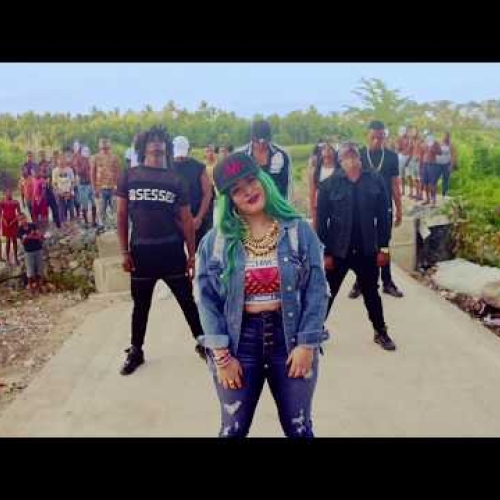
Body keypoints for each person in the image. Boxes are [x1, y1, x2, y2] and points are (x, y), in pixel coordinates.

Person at [195, 152, 329, 438]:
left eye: (251, 180)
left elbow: (317, 290)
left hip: (290, 339)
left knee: (299, 428)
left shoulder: (298, 231)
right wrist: (221, 357)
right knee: (232, 430)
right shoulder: (216, 241)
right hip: (239, 343)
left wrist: (307, 344)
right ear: (229, 199)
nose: (248, 191)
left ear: (263, 179)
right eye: (236, 189)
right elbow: (206, 300)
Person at [116, 126, 206, 376]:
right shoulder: (129, 176)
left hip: (171, 252)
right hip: (141, 253)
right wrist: (124, 252)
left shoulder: (175, 180)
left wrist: (191, 254)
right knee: (140, 305)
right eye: (152, 141)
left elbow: (186, 220)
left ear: (166, 147)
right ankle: (136, 350)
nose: (156, 145)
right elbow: (121, 215)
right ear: (143, 147)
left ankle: (203, 343)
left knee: (187, 301)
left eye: (160, 141)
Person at [317, 142, 396, 352]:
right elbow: (321, 222)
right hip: (338, 251)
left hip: (367, 250)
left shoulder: (375, 181)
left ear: (359, 158)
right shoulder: (329, 185)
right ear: (340, 160)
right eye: (346, 156)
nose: (351, 159)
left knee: (371, 294)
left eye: (354, 155)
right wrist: (325, 253)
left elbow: (384, 217)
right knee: (327, 294)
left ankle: (380, 332)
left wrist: (384, 248)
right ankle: (313, 332)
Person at [349, 121, 404, 299]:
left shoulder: (391, 156)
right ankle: (360, 282)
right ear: (367, 135)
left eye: (380, 137)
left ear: (384, 137)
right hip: (361, 207)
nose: (377, 141)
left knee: (384, 244)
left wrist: (399, 208)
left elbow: (395, 184)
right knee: (361, 244)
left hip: (384, 207)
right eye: (373, 137)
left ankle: (387, 282)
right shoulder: (359, 155)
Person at [173, 136, 214, 248]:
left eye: (183, 154)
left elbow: (207, 193)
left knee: (200, 251)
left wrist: (199, 218)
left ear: (189, 150)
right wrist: (177, 221)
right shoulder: (167, 167)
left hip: (197, 218)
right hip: (175, 221)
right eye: (178, 155)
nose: (180, 158)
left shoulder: (198, 167)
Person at [238, 120, 293, 200]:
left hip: (276, 203)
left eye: (264, 143)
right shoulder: (240, 156)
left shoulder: (282, 154)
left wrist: (287, 205)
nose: (261, 146)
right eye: (257, 142)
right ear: (252, 139)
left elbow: (288, 185)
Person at [91, 137, 121, 226]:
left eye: (106, 142)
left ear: (109, 144)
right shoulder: (95, 157)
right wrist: (94, 188)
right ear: (99, 145)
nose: (104, 145)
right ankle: (102, 227)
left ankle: (117, 228)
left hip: (113, 188)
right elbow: (92, 173)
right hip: (100, 188)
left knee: (115, 210)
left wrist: (117, 186)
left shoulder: (115, 157)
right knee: (101, 211)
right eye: (102, 143)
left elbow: (118, 173)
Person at [309, 141, 338, 230]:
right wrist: (313, 212)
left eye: (330, 149)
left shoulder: (339, 169)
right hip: (320, 205)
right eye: (324, 149)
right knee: (321, 230)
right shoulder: (316, 170)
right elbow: (312, 192)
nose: (327, 151)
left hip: (336, 205)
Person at [17, 213, 45, 291]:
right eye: (20, 219)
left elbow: (39, 237)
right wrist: (31, 235)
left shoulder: (32, 225)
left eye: (23, 218)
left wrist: (28, 237)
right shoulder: (19, 229)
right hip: (28, 252)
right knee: (30, 270)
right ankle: (30, 287)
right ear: (19, 221)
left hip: (38, 249)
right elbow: (23, 241)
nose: (22, 220)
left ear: (26, 218)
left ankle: (39, 285)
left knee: (40, 268)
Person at [75, 145, 97, 227]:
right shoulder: (78, 160)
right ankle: (86, 222)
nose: (87, 152)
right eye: (85, 151)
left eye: (88, 151)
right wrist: (84, 163)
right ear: (81, 152)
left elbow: (94, 171)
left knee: (94, 204)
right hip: (83, 185)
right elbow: (78, 172)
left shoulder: (91, 159)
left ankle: (94, 221)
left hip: (91, 184)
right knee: (85, 205)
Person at [52, 149, 76, 225]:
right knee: (61, 210)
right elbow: (54, 184)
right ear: (57, 161)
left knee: (71, 209)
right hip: (60, 193)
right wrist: (60, 192)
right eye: (60, 160)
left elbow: (73, 182)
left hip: (70, 193)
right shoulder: (55, 171)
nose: (61, 161)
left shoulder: (70, 170)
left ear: (65, 160)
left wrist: (69, 192)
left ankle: (72, 224)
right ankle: (63, 225)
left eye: (63, 159)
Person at [38, 150, 60, 228]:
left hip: (51, 190)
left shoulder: (49, 165)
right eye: (41, 155)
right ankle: (44, 226)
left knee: (55, 207)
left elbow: (51, 176)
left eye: (43, 154)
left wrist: (48, 178)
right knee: (43, 209)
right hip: (43, 192)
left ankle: (57, 223)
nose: (42, 156)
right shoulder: (37, 166)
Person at [0, 188, 22, 266]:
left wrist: (14, 220)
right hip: (5, 221)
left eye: (10, 192)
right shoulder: (2, 202)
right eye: (7, 192)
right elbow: (0, 214)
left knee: (14, 239)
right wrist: (4, 221)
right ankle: (8, 259)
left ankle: (16, 258)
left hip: (14, 221)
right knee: (8, 240)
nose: (9, 194)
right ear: (5, 194)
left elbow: (19, 213)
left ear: (11, 194)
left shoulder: (16, 202)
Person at [420, 133, 442, 207]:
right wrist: (421, 165)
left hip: (432, 165)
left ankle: (433, 201)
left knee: (432, 183)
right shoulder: (425, 143)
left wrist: (432, 149)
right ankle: (427, 199)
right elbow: (422, 153)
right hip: (425, 164)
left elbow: (440, 152)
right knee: (425, 183)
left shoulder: (435, 143)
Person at [437, 131, 456, 198]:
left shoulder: (451, 145)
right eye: (444, 136)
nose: (445, 137)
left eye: (447, 136)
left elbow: (453, 156)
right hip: (438, 164)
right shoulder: (439, 143)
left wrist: (451, 166)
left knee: (445, 179)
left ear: (449, 137)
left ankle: (444, 194)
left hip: (446, 164)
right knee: (435, 178)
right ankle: (433, 193)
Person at [396, 126, 411, 196]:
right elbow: (398, 149)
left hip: (408, 157)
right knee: (402, 175)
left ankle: (411, 191)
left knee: (409, 175)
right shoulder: (399, 139)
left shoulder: (410, 139)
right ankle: (403, 190)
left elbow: (411, 149)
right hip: (401, 157)